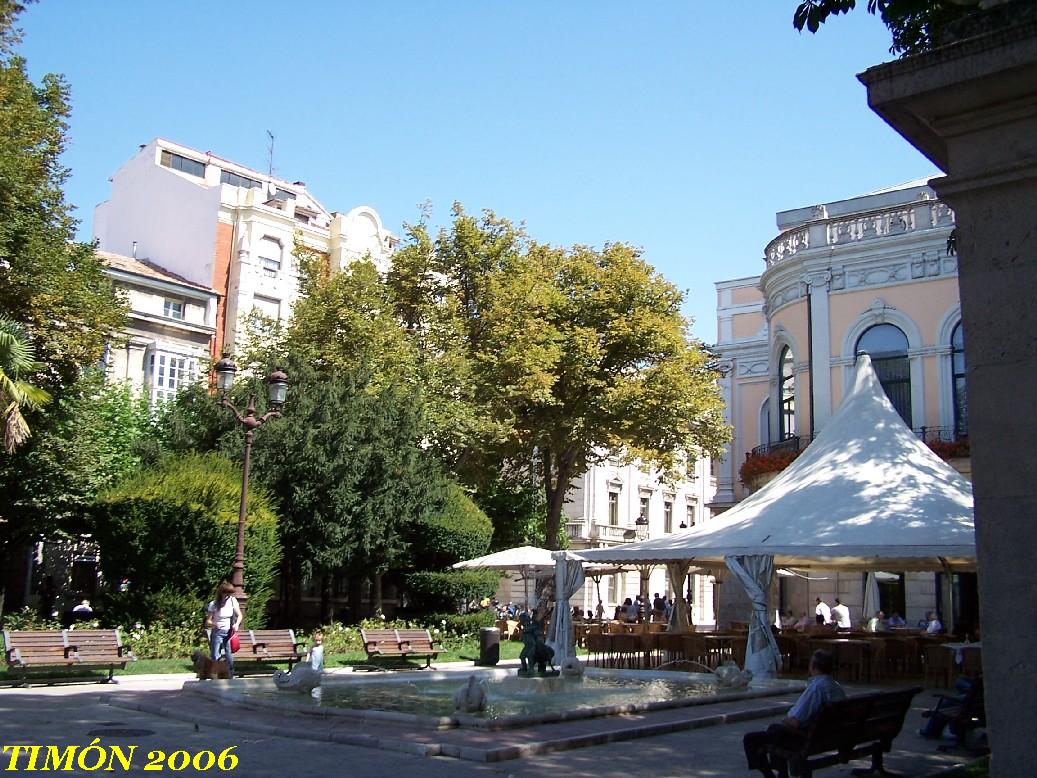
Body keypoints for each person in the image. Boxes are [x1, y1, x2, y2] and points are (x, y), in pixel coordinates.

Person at [743, 650, 846, 777]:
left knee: (752, 739)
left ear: (813, 667)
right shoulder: (836, 687)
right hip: (828, 736)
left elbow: (795, 721)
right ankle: (781, 773)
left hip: (805, 739)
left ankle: (771, 774)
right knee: (775, 731)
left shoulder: (816, 688)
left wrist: (785, 720)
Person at [204, 581, 242, 679]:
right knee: (215, 654)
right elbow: (208, 621)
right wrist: (215, 624)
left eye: (230, 594)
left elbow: (239, 615)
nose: (228, 596)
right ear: (221, 592)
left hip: (229, 631)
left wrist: (236, 624)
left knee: (228, 653)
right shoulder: (214, 604)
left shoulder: (232, 601)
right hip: (217, 632)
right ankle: (215, 674)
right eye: (226, 593)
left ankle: (230, 673)